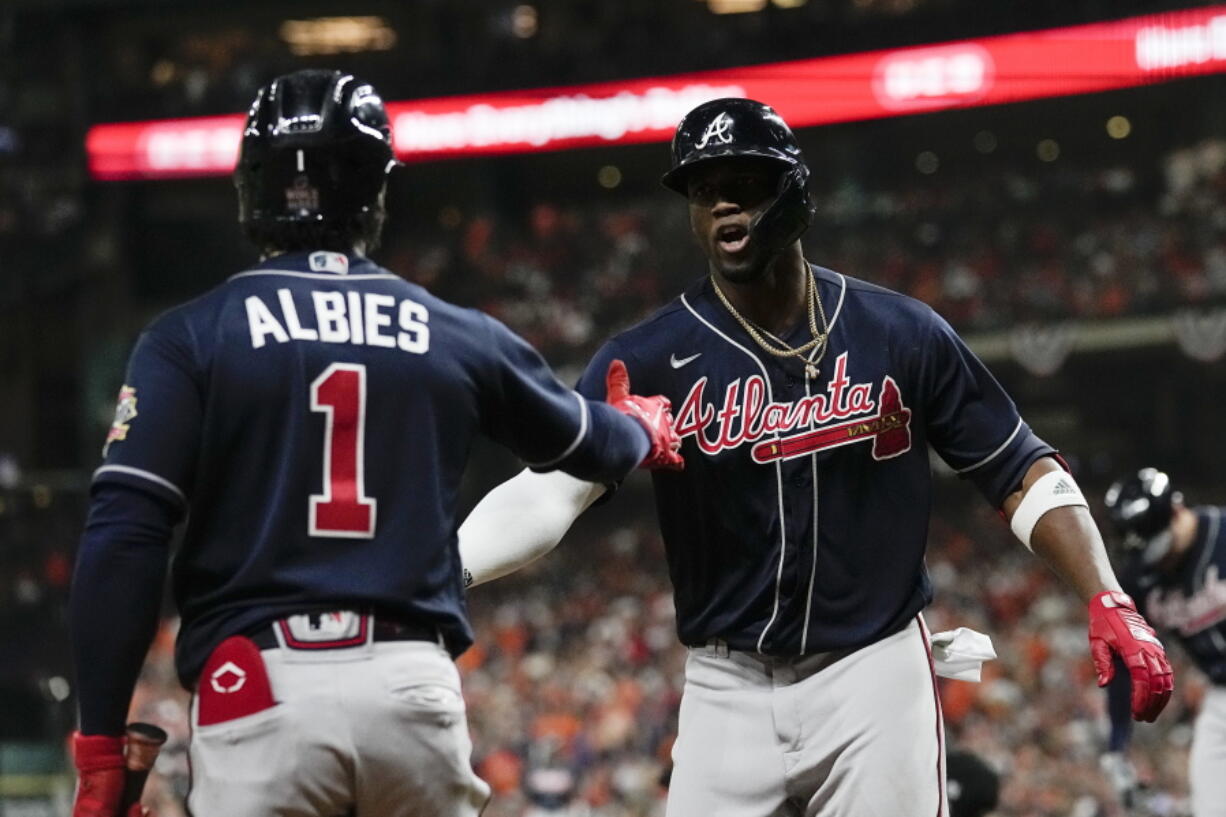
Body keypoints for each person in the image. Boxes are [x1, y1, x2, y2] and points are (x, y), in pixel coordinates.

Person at [457, 97, 1174, 816]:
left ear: (795, 190)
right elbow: (552, 490)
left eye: (744, 181)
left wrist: (1104, 590)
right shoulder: (647, 360)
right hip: (725, 683)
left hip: (873, 668)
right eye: (704, 190)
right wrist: (444, 567)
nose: (723, 204)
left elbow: (1019, 469)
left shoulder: (901, 332)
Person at [67, 68, 682, 817]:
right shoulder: (456, 331)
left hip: (259, 686)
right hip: (411, 686)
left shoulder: (191, 336)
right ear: (375, 191)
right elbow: (590, 444)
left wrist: (99, 744)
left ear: (250, 189)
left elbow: (125, 533)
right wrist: (640, 428)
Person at [1100, 468, 1226, 817]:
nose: (1159, 559)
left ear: (1177, 511)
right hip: (1220, 696)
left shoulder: (1222, 534)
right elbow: (1125, 660)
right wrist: (1118, 744)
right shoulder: (1142, 577)